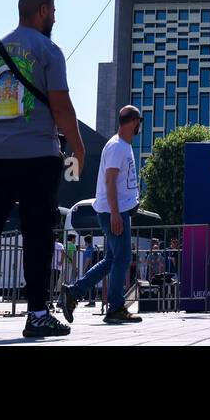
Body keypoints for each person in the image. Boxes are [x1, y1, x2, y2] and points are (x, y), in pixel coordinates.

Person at [0, 0, 85, 340]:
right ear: (44, 11)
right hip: (37, 156)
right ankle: (37, 314)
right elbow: (61, 107)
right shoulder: (49, 50)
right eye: (54, 12)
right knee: (38, 236)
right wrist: (78, 148)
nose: (55, 19)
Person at [61, 105, 143, 325]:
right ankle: (115, 308)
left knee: (111, 259)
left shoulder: (121, 145)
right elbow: (110, 182)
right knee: (123, 257)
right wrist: (116, 214)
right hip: (114, 212)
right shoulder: (117, 146)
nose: (139, 127)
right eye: (139, 122)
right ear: (133, 121)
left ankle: (74, 292)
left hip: (114, 211)